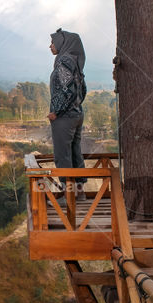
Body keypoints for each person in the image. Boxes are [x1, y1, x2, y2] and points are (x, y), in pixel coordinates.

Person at [47, 28, 87, 189]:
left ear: (61, 43)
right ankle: (79, 190)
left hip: (65, 117)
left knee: (63, 155)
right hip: (77, 113)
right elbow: (82, 89)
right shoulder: (75, 61)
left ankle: (66, 195)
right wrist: (76, 104)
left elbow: (67, 89)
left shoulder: (64, 61)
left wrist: (56, 111)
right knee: (75, 153)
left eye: (52, 42)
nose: (50, 46)